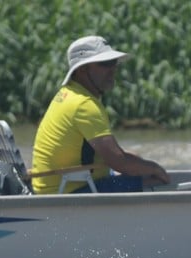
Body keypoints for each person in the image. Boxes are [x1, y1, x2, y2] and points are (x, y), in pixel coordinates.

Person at [31, 35, 170, 194]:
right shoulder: (84, 104)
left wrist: (135, 162)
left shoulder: (67, 94)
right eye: (105, 63)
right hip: (70, 191)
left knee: (137, 162)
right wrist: (155, 168)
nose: (113, 69)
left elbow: (113, 157)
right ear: (82, 70)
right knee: (156, 180)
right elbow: (118, 162)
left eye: (114, 62)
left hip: (58, 188)